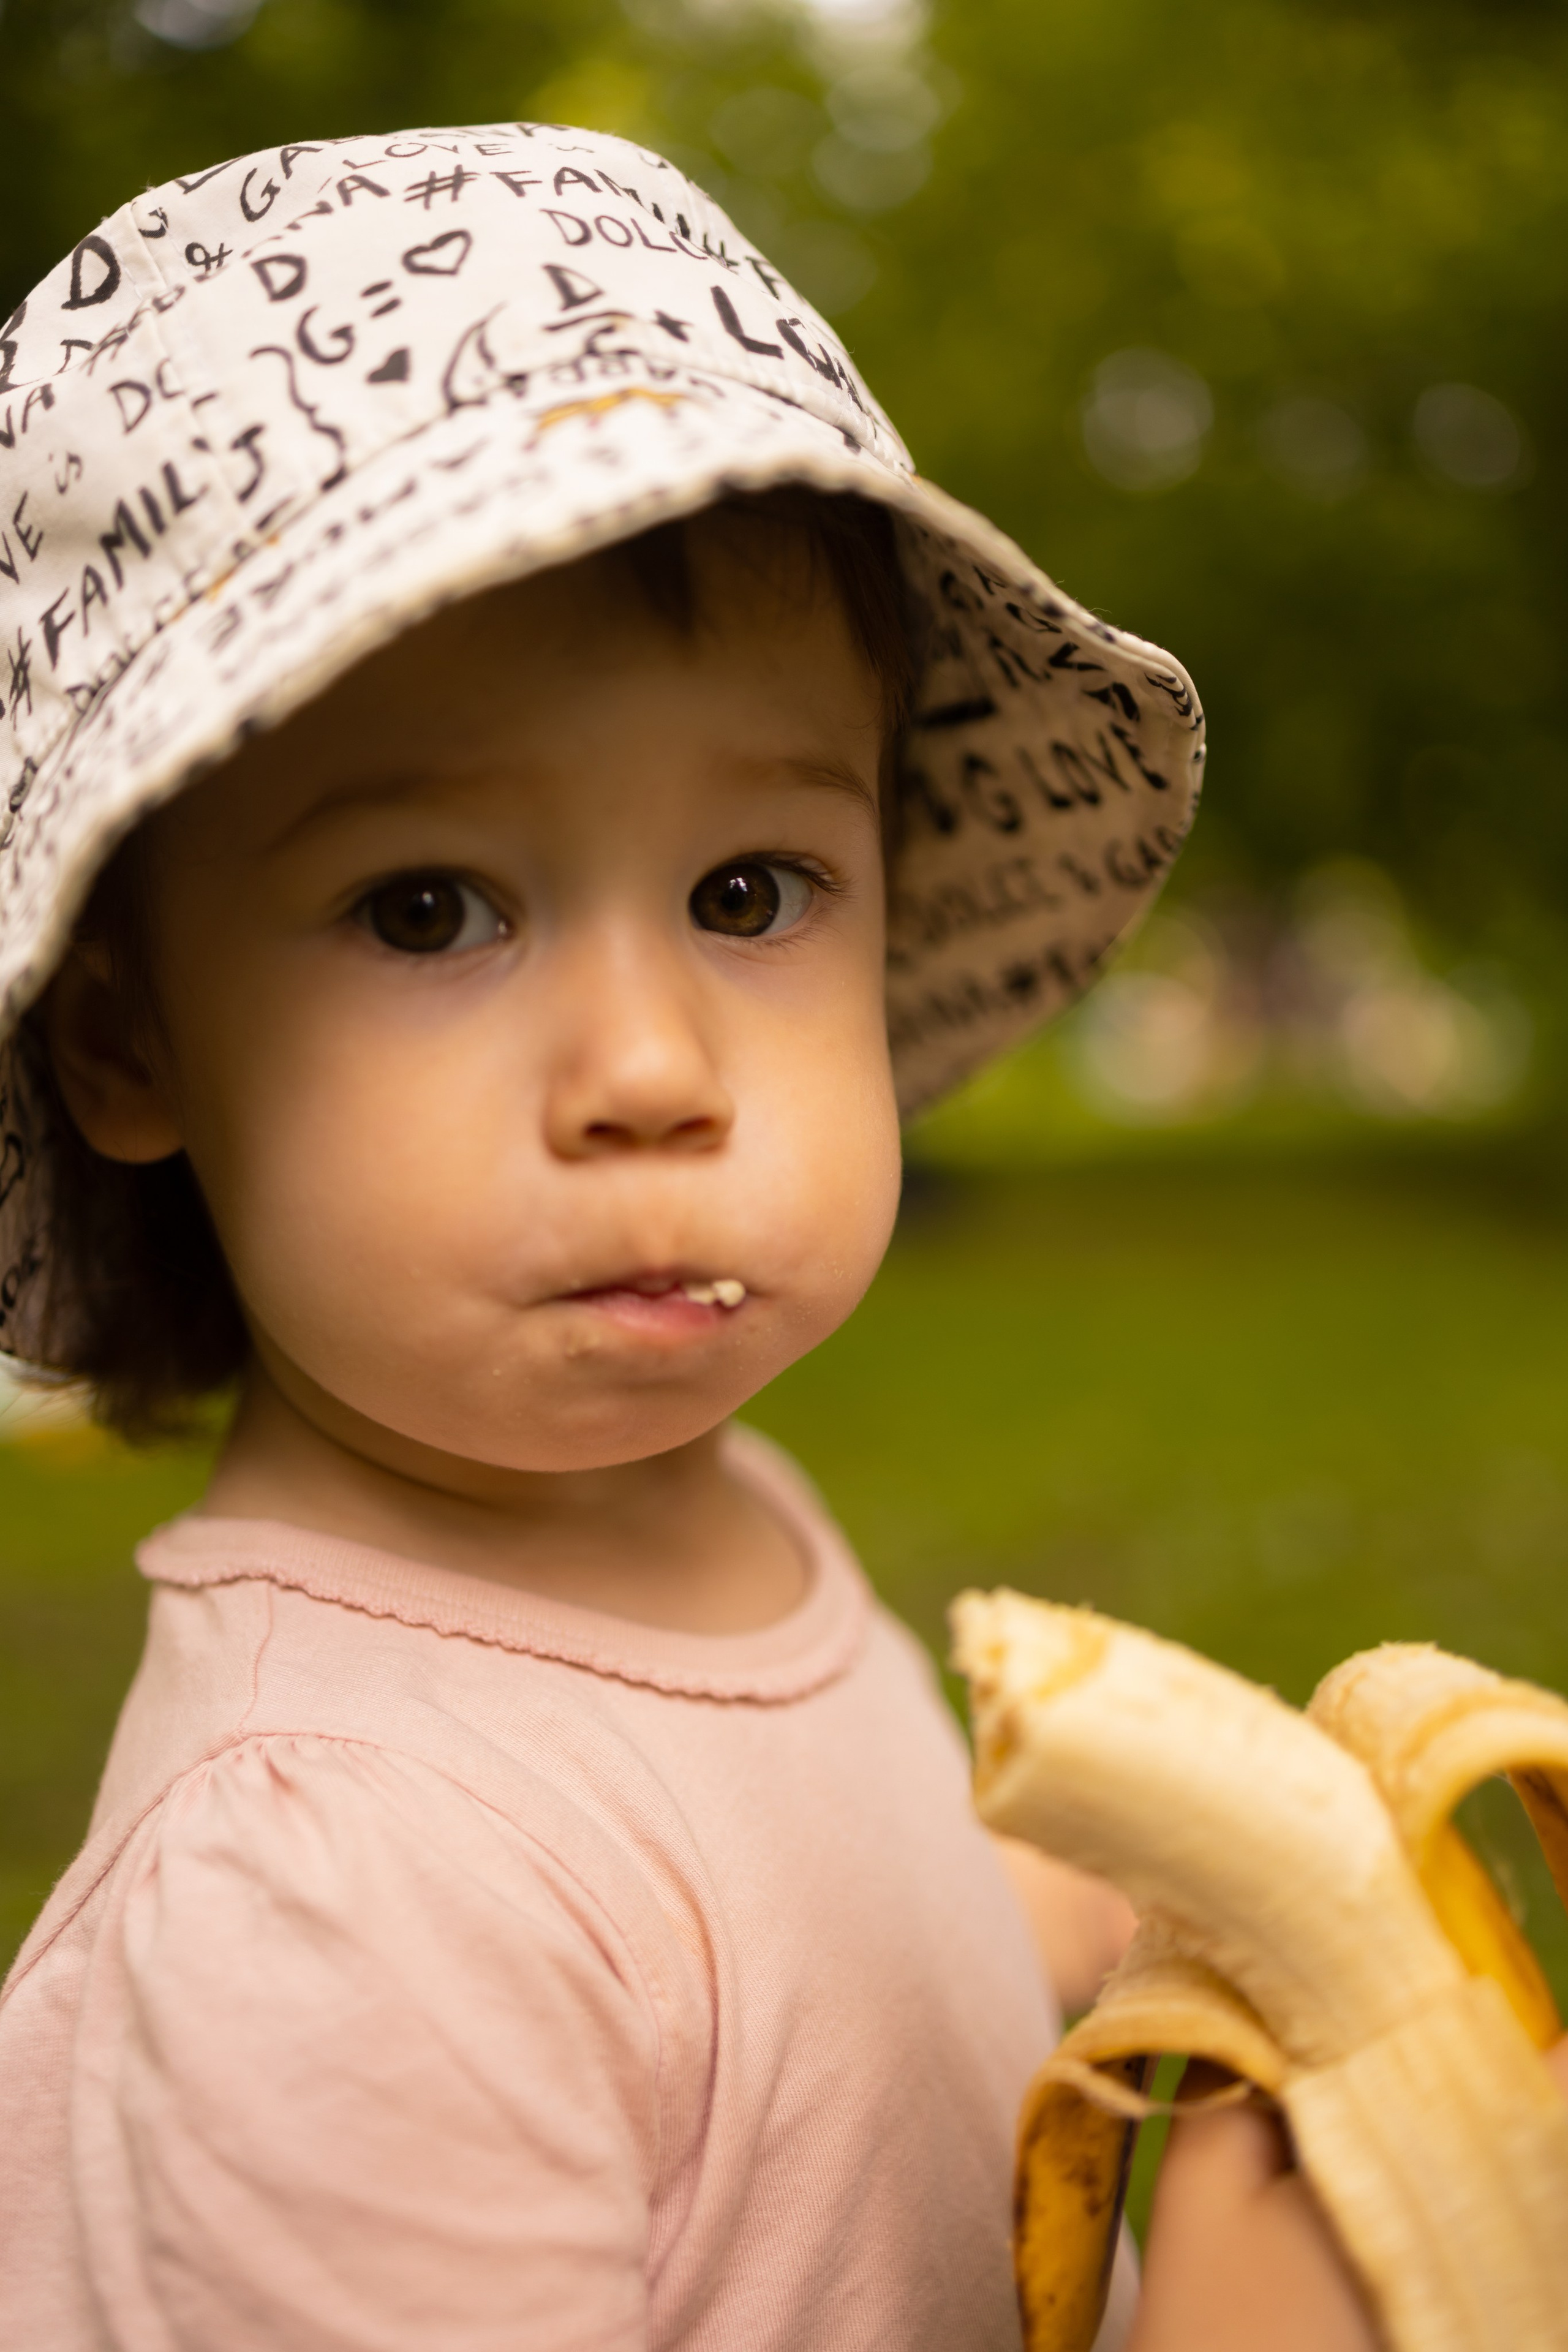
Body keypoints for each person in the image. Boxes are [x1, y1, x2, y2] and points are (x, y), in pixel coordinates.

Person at [0, 123, 1381, 2350]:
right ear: (128, 1042)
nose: (651, 1066)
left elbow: (809, 1961)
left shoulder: (701, 1499)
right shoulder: (336, 1895)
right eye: (428, 909)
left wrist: (1096, 1919)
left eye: (750, 893)